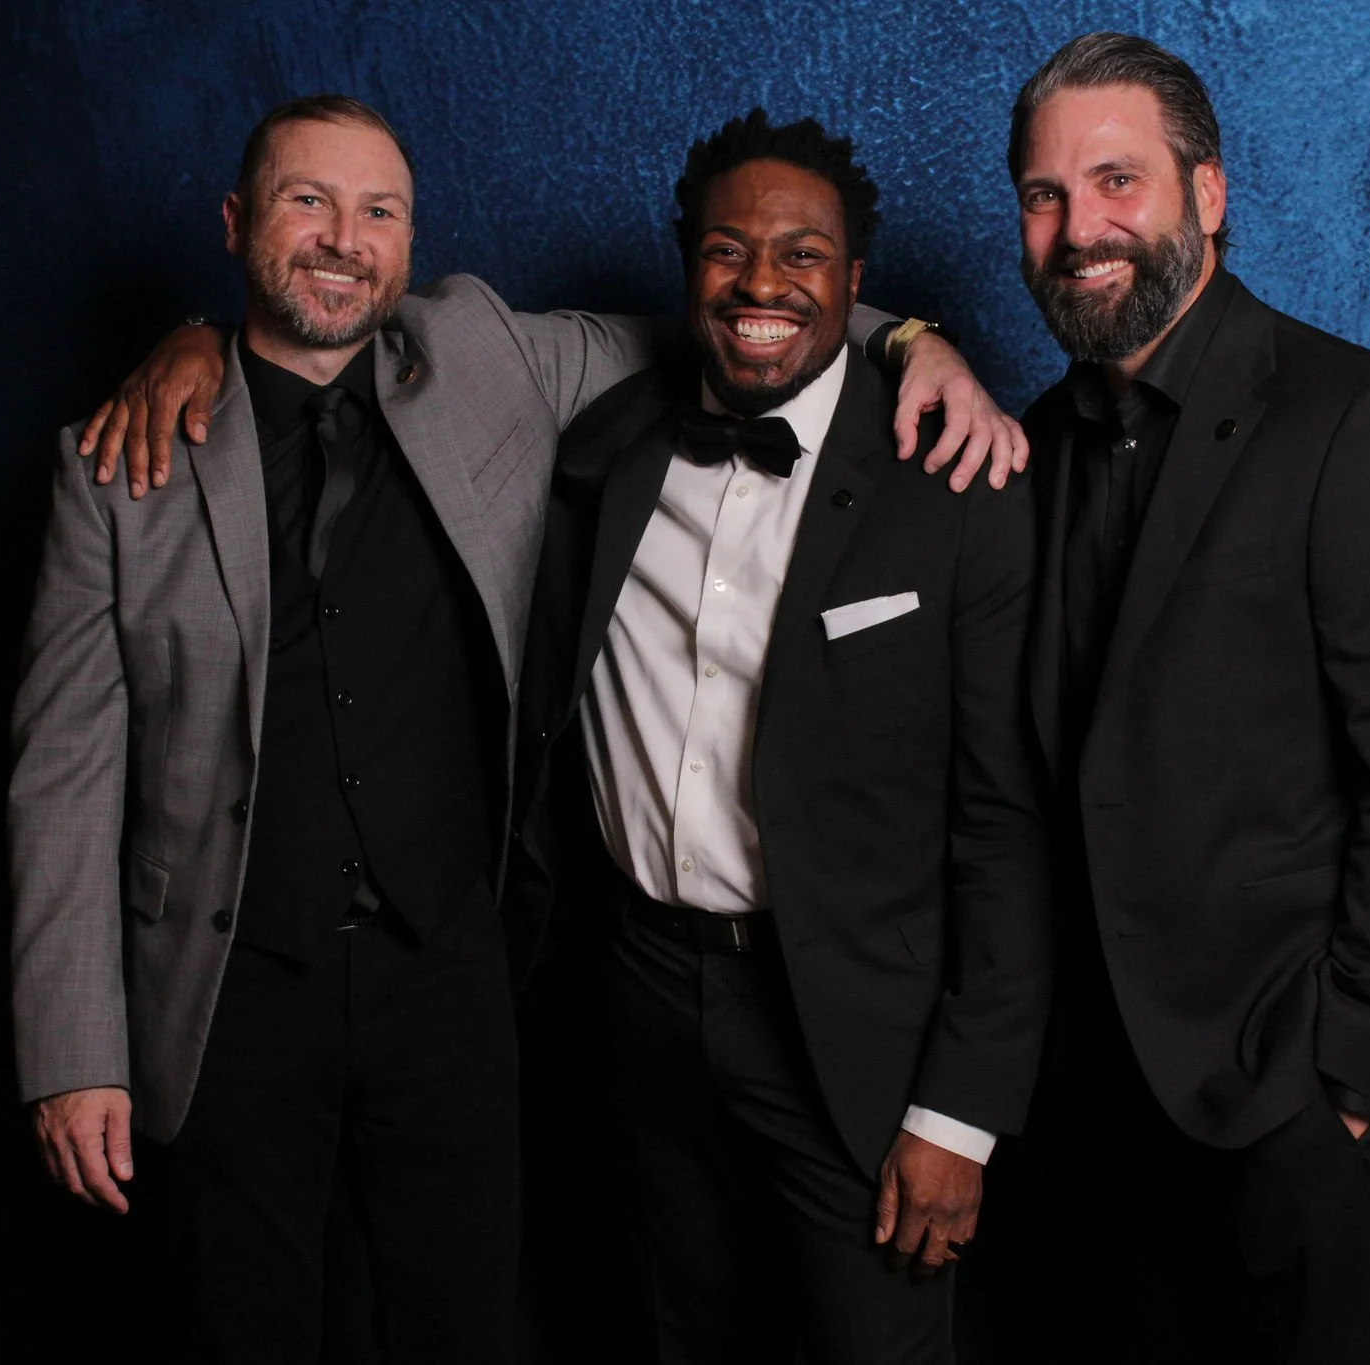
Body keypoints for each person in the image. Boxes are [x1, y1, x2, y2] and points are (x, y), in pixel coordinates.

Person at [9, 94, 1014, 1361]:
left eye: (377, 211)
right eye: (303, 202)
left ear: (412, 240)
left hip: (450, 991)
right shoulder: (118, 467)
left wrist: (912, 339)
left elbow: (740, 317)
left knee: (466, 1324)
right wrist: (73, 1050)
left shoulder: (484, 355)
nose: (340, 239)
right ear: (234, 225)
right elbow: (62, 776)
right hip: (221, 998)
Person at [986, 32, 1370, 1364]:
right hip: (1097, 1119)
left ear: (1207, 195)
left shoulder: (1360, 420)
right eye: (1046, 195)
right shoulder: (1028, 449)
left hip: (1300, 1100)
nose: (1079, 228)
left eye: (1119, 181)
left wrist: (1350, 1071)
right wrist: (913, 345)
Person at [510, 110, 1053, 1365]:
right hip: (637, 991)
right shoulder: (602, 448)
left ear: (856, 285)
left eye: (802, 256)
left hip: (856, 1029)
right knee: (670, 1331)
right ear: (685, 265)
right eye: (726, 250)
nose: (760, 284)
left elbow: (1004, 826)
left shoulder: (957, 485)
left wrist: (957, 1116)